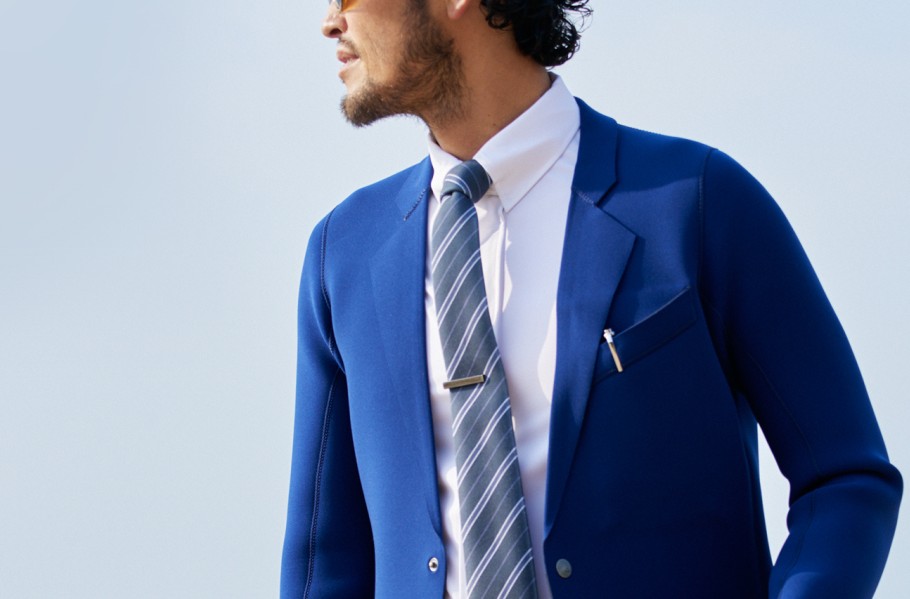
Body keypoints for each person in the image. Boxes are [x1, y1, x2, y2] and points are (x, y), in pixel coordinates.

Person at [281, 1, 902, 597]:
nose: (330, 21)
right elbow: (322, 566)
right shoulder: (346, 252)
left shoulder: (696, 202)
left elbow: (845, 477)